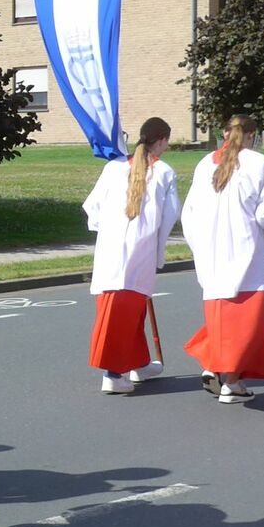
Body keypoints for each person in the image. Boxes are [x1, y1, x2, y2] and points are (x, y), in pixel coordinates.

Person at [179, 114, 264, 404]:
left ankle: (215, 365)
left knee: (221, 318)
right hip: (245, 252)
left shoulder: (205, 164)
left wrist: (198, 247)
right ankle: (231, 381)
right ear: (252, 135)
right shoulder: (258, 164)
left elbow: (189, 213)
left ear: (225, 133)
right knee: (248, 324)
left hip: (211, 252)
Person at [84, 118, 179, 395]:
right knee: (119, 311)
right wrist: (159, 250)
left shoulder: (113, 167)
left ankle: (138, 363)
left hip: (112, 247)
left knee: (133, 311)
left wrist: (105, 230)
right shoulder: (164, 172)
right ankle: (113, 374)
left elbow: (92, 206)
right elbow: (170, 215)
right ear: (162, 140)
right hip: (141, 247)